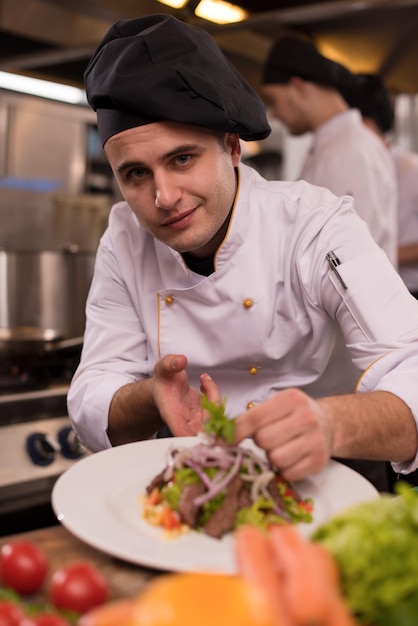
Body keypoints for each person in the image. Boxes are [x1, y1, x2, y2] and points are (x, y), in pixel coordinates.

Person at [68, 14, 418, 493]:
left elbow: (411, 362)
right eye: (135, 174)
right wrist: (151, 397)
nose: (163, 196)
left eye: (182, 158)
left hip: (324, 478)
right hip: (193, 481)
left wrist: (331, 423)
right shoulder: (124, 239)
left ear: (232, 147)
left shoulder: (313, 224)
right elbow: (93, 388)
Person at [262, 34, 398, 268]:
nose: (274, 113)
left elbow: (348, 257)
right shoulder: (335, 144)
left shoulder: (350, 151)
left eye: (273, 100)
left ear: (298, 88)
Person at [341, 72, 418, 300]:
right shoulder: (353, 165)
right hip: (373, 291)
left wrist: (379, 253)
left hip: (409, 291)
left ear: (364, 122)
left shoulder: (410, 168)